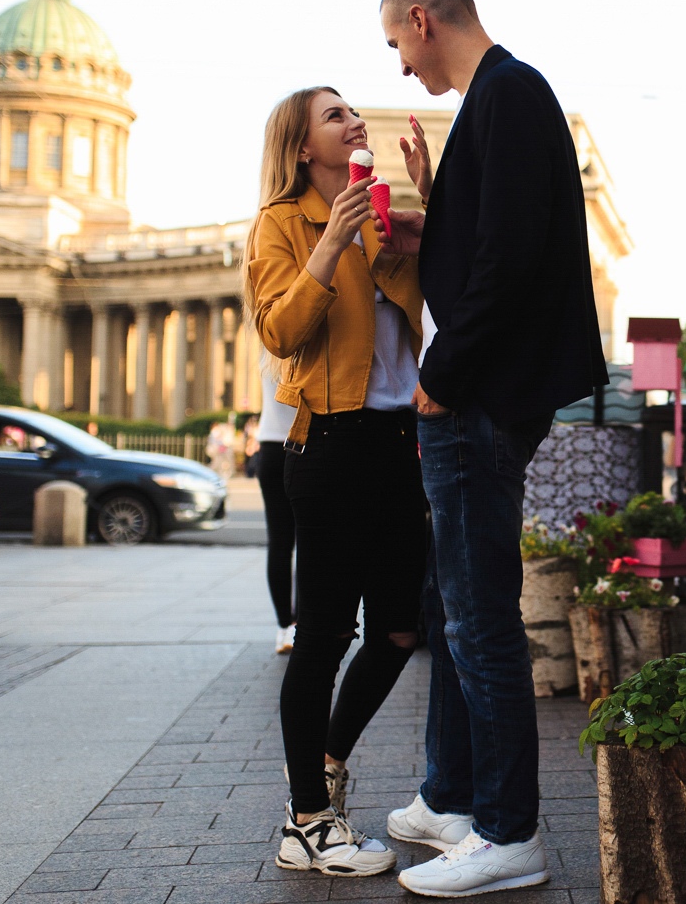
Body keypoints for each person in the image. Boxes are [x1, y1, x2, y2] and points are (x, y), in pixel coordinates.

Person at [377, 0, 607, 897]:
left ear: (423, 19)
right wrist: (438, 206)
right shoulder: (497, 100)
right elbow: (487, 240)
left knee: (478, 619)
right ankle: (450, 794)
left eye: (396, 43)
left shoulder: (508, 92)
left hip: (475, 398)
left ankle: (509, 833)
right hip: (477, 393)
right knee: (452, 608)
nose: (398, 67)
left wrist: (440, 372)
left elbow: (508, 257)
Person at [245, 85, 430, 878]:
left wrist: (428, 213)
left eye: (353, 110)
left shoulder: (384, 216)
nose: (355, 120)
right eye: (335, 115)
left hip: (397, 443)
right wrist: (333, 245)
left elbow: (432, 315)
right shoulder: (282, 224)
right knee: (323, 636)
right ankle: (308, 822)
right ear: (301, 148)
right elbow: (280, 329)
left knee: (397, 629)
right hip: (326, 445)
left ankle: (320, 770)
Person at [255, 355, 298, 655]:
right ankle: (303, 625)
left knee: (280, 544)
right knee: (310, 542)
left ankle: (285, 626)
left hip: (269, 445)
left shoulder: (268, 341)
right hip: (305, 442)